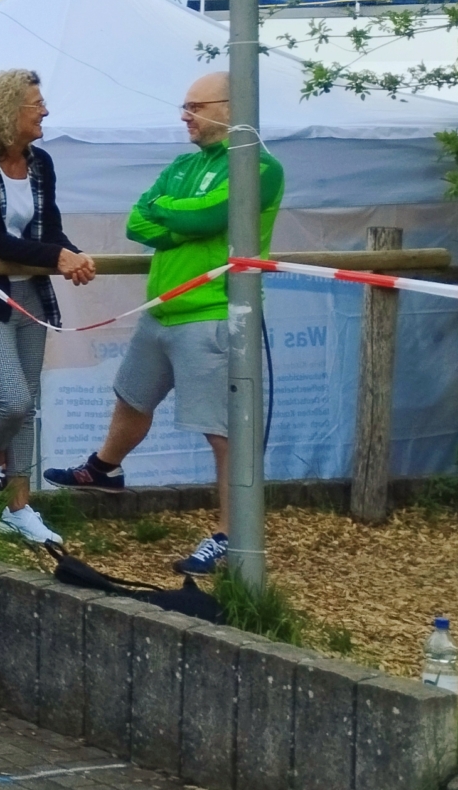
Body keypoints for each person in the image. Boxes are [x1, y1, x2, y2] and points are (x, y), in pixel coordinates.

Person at [44, 72, 285, 531]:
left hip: (213, 312)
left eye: (196, 106)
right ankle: (104, 467)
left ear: (232, 108)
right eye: (184, 105)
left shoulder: (259, 165)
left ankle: (232, 537)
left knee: (223, 433)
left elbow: (213, 214)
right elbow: (138, 218)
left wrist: (171, 219)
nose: (184, 115)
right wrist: (179, 222)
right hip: (162, 309)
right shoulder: (181, 165)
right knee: (131, 397)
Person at [0, 70, 97, 546]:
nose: (45, 112)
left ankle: (18, 507)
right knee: (13, 399)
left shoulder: (42, 163)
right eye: (37, 104)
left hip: (32, 294)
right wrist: (57, 257)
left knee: (29, 406)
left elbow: (48, 227)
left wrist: (73, 255)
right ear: (9, 110)